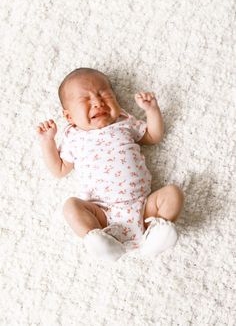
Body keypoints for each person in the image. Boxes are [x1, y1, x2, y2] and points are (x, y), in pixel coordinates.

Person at [36, 68, 184, 262]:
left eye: (104, 95)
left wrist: (152, 110)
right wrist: (47, 141)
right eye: (86, 100)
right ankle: (99, 240)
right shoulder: (73, 137)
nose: (98, 103)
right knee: (71, 207)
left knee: (173, 193)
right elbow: (59, 169)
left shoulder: (124, 121)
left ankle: (157, 235)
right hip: (102, 212)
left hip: (144, 208)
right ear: (70, 117)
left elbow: (153, 136)